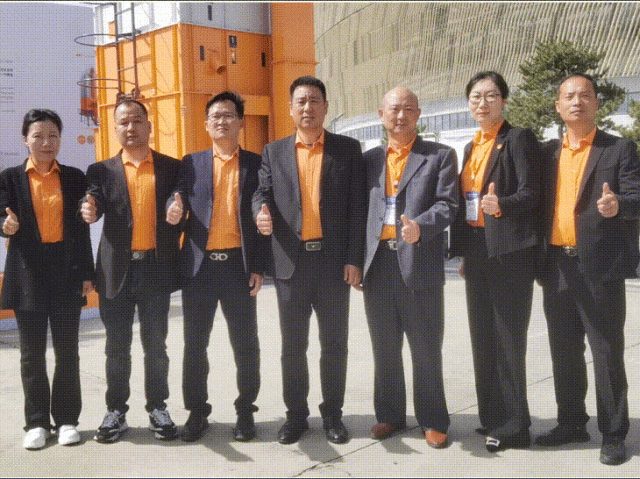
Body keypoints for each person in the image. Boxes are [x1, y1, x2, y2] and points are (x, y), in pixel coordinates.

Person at [253, 76, 366, 445]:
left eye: (314, 100)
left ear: (326, 107)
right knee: (293, 346)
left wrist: (354, 259)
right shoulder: (274, 152)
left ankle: (333, 415)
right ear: (290, 109)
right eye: (300, 101)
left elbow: (358, 208)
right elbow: (262, 193)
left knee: (334, 344)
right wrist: (260, 211)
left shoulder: (347, 150)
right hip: (291, 264)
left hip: (333, 265)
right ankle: (296, 417)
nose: (307, 107)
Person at [535, 73, 640, 466]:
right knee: (564, 351)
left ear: (596, 103)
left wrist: (619, 206)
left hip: (600, 266)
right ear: (558, 106)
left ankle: (613, 434)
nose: (576, 102)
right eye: (569, 96)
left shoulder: (618, 148)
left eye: (584, 96)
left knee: (606, 351)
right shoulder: (547, 153)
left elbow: (637, 195)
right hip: (557, 265)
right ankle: (571, 422)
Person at [449, 71, 541, 452]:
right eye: (475, 97)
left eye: (490, 96)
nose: (482, 103)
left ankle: (515, 426)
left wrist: (501, 205)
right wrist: (464, 253)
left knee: (507, 341)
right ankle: (492, 417)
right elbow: (466, 204)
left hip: (509, 254)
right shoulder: (471, 147)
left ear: (503, 100)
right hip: (478, 252)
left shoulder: (517, 138)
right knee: (482, 338)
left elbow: (532, 192)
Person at [167, 91, 267, 442]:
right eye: (215, 116)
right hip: (200, 269)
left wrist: (258, 267)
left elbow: (261, 208)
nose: (222, 121)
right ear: (207, 125)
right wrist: (173, 211)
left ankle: (245, 411)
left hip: (239, 267)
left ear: (241, 122)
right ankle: (197, 412)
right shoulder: (191, 163)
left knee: (246, 344)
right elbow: (177, 199)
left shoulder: (256, 164)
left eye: (229, 115)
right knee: (195, 345)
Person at [80, 98, 182, 443]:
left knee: (156, 346)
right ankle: (116, 411)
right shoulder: (101, 170)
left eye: (137, 120)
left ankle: (158, 408)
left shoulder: (171, 167)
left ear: (149, 126)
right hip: (115, 273)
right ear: (115, 129)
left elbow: (177, 199)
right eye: (123, 122)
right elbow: (93, 198)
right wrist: (90, 208)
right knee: (116, 347)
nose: (131, 127)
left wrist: (176, 209)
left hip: (154, 268)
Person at [361, 87, 457, 448]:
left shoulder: (439, 156)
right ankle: (389, 415)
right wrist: (355, 261)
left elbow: (448, 204)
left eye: (407, 109)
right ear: (381, 114)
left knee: (426, 346)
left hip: (419, 261)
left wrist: (421, 226)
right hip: (378, 263)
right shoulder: (369, 160)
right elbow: (358, 212)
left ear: (418, 114)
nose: (400, 116)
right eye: (393, 109)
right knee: (384, 347)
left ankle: (432, 420)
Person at [0, 109, 94, 449]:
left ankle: (67, 420)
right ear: (25, 139)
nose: (46, 142)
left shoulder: (74, 177)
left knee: (67, 352)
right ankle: (37, 423)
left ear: (60, 140)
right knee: (32, 354)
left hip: (67, 272)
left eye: (53, 135)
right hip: (28, 271)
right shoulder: (9, 178)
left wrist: (87, 273)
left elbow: (81, 231)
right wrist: (5, 226)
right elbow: (1, 215)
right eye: (38, 136)